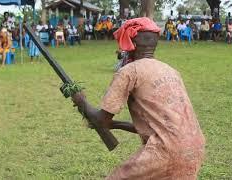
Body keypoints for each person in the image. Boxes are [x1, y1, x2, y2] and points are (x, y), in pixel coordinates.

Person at [71, 17, 206, 179]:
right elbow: (160, 126)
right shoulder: (171, 71)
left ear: (130, 43)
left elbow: (100, 120)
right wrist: (113, 125)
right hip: (195, 147)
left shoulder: (129, 72)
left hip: (164, 151)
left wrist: (81, 102)